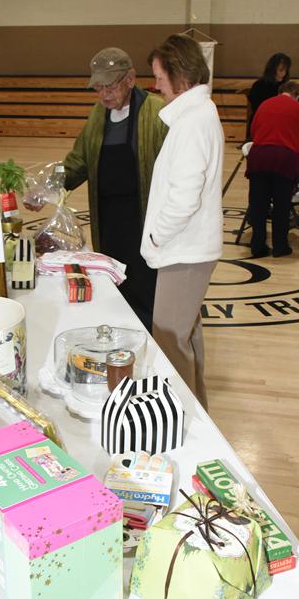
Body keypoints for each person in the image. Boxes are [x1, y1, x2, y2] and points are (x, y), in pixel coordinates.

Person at [140, 34, 224, 410]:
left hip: (185, 250)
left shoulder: (193, 121)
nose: (156, 85)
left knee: (170, 342)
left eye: (160, 77)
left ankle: (183, 421)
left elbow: (184, 197)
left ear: (180, 74)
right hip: (189, 249)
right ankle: (198, 413)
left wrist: (157, 236)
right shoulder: (198, 114)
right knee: (186, 337)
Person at [63, 47, 167, 332]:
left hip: (143, 220)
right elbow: (79, 160)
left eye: (110, 86)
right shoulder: (98, 115)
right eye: (98, 87)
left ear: (130, 79)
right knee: (114, 286)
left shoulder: (156, 112)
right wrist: (52, 184)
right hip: (108, 221)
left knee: (144, 289)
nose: (104, 94)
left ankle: (148, 342)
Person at [245, 80, 299, 259]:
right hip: (285, 159)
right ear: (297, 96)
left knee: (258, 204)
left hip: (259, 157)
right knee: (281, 205)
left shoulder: (264, 104)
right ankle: (280, 246)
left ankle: (257, 246)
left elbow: (253, 132)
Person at [246, 52, 292, 139]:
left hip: (281, 123)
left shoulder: (286, 86)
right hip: (263, 123)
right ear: (272, 70)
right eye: (281, 70)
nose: (283, 74)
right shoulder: (259, 85)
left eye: (286, 71)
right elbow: (257, 109)